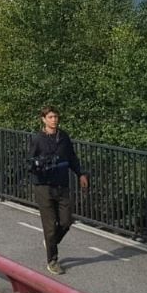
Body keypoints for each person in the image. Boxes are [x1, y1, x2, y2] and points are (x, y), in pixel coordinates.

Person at [29, 106, 87, 276]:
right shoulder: (37, 139)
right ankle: (52, 261)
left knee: (66, 221)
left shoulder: (64, 137)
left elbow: (72, 158)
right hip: (44, 187)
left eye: (56, 116)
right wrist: (37, 166)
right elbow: (29, 161)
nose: (54, 119)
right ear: (43, 119)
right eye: (50, 117)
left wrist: (81, 174)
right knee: (50, 227)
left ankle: (51, 242)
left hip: (62, 185)